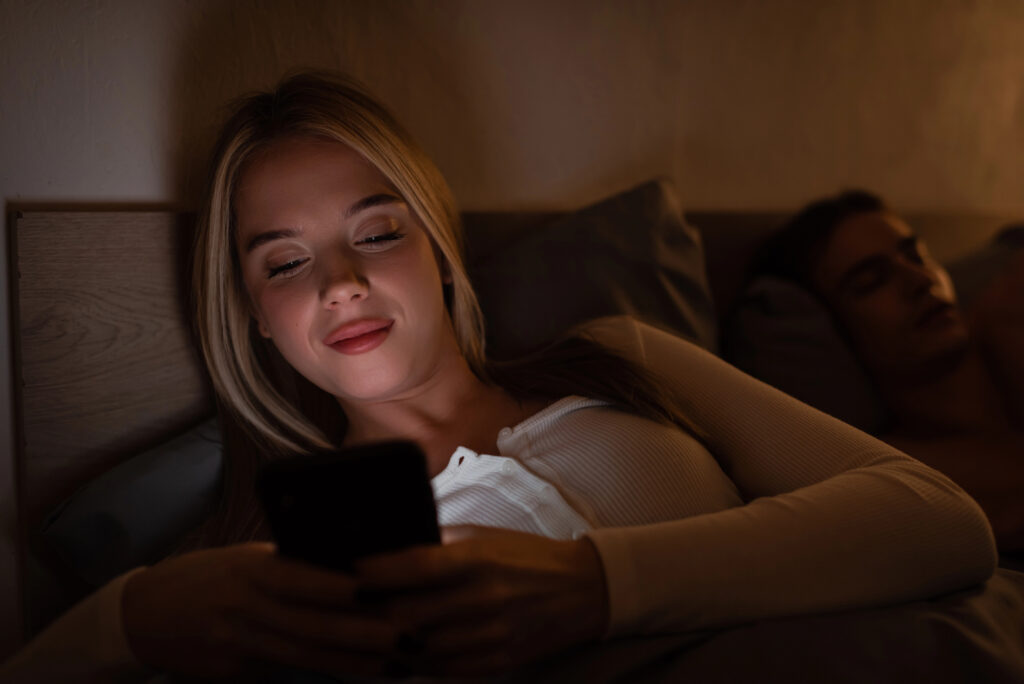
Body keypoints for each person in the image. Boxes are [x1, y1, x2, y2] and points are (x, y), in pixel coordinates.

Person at [0, 75, 1000, 682]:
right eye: (286, 262)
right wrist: (130, 621)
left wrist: (595, 587)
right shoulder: (274, 566)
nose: (341, 284)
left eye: (376, 234)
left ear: (439, 248)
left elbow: (941, 522)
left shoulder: (620, 357)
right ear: (254, 315)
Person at [753, 190, 1024, 559]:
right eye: (872, 281)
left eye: (916, 256)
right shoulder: (884, 468)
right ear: (836, 331)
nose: (919, 279)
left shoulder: (1008, 311)